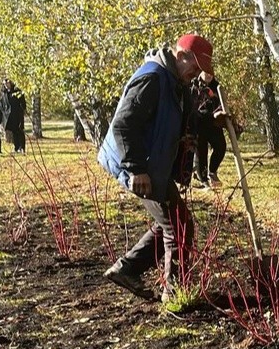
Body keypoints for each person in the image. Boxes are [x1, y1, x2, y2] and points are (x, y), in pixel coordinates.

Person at [97, 33, 213, 302]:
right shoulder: (153, 78)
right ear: (180, 55)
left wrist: (210, 121)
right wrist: (136, 169)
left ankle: (126, 269)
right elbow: (124, 125)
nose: (195, 74)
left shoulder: (175, 81)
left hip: (152, 164)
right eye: (194, 67)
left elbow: (182, 119)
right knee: (179, 225)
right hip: (138, 166)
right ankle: (175, 294)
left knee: (171, 221)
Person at [190, 71, 227, 188]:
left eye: (212, 73)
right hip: (198, 125)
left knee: (221, 146)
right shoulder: (193, 85)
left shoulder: (217, 86)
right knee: (201, 152)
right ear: (200, 72)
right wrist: (211, 115)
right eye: (207, 72)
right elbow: (193, 109)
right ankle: (203, 179)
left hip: (214, 124)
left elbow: (222, 104)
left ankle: (213, 172)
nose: (210, 75)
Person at [0, 79, 27, 154]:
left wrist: (22, 111)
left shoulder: (17, 91)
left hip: (18, 115)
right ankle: (16, 148)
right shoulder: (4, 93)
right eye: (5, 84)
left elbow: (23, 103)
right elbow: (2, 104)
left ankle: (22, 148)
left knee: (20, 131)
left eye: (7, 83)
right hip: (9, 116)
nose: (6, 85)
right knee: (14, 132)